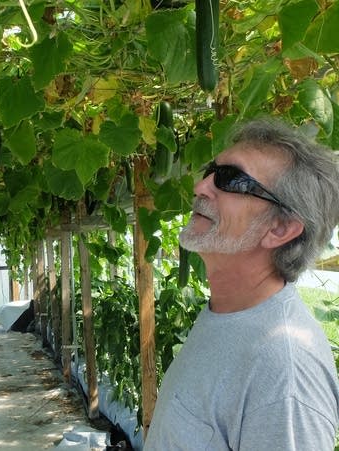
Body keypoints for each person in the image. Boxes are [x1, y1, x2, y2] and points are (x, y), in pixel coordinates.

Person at [144, 117, 339, 450]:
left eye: (230, 179)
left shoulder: (284, 375)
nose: (201, 186)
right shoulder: (229, 311)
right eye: (210, 170)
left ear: (279, 229)